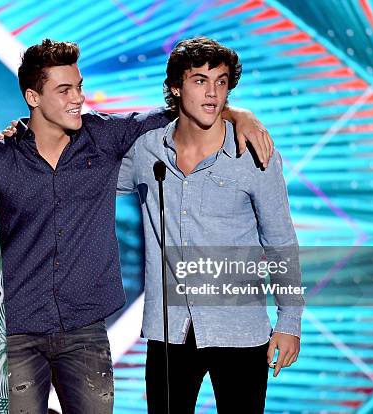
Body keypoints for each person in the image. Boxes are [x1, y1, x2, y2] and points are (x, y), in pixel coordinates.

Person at [0, 39, 273, 413]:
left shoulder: (103, 139)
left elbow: (183, 111)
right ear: (33, 98)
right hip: (16, 330)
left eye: (79, 87)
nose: (78, 98)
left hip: (85, 330)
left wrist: (238, 114)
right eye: (64, 89)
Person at [117, 37, 303, 413]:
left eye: (221, 82)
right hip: (169, 332)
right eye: (200, 80)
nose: (213, 93)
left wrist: (289, 321)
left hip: (240, 330)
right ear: (175, 87)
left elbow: (280, 241)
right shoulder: (146, 151)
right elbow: (80, 179)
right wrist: (22, 134)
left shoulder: (254, 153)